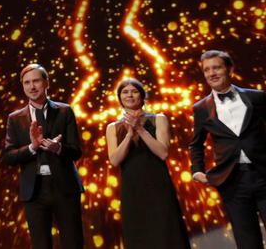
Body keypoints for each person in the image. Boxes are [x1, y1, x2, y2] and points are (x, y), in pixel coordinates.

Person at [0, 64, 84, 249]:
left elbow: (76, 151)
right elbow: (8, 156)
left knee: (73, 242)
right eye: (27, 82)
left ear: (47, 83)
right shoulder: (15, 118)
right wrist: (32, 147)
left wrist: (58, 148)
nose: (32, 86)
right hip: (34, 191)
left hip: (64, 187)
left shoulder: (64, 111)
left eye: (36, 81)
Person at [189, 49, 266, 249]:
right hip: (231, 181)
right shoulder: (201, 108)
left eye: (216, 68)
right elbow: (196, 144)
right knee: (247, 240)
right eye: (207, 70)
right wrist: (197, 170)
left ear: (229, 69)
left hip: (263, 172)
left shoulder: (256, 97)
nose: (212, 73)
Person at [105, 78, 189, 248]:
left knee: (167, 232)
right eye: (125, 92)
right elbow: (114, 160)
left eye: (134, 91)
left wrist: (140, 129)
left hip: (158, 185)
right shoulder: (113, 127)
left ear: (142, 96)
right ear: (120, 98)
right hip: (132, 188)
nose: (130, 95)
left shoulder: (158, 119)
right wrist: (129, 135)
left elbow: (163, 152)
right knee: (139, 235)